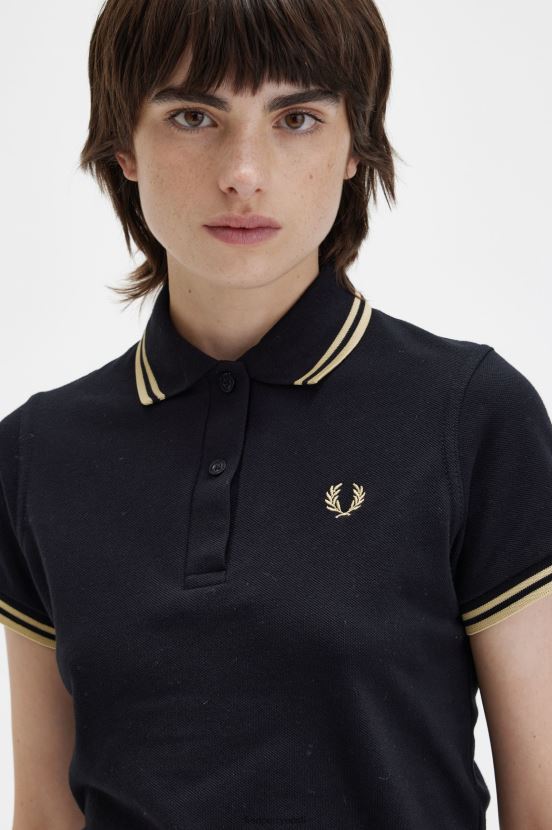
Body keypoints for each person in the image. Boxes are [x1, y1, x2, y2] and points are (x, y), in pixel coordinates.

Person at [1, 1, 551, 828]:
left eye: (296, 118)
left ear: (355, 146)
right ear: (123, 146)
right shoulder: (37, 453)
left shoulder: (470, 416)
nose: (243, 172)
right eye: (194, 116)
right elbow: (46, 811)